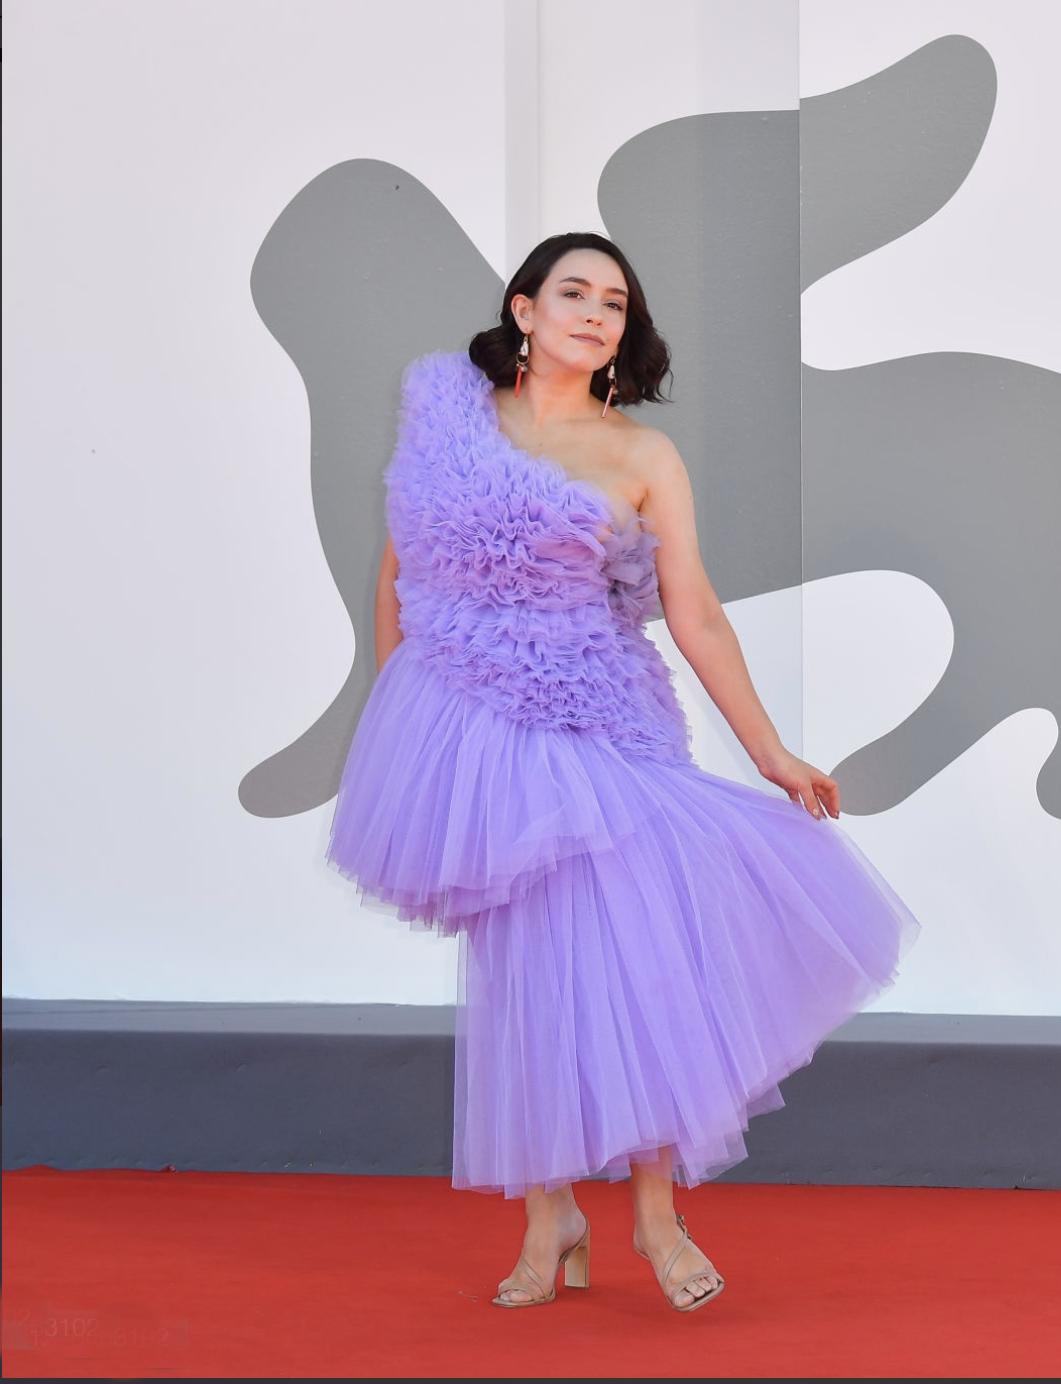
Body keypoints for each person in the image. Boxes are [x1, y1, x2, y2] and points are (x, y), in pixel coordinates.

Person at [325, 231, 921, 1313]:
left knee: (637, 962)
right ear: (524, 309)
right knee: (523, 969)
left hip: (603, 722)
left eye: (615, 301)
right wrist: (395, 720)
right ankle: (548, 1216)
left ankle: (655, 1213)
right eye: (573, 292)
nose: (596, 312)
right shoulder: (446, 413)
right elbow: (398, 567)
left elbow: (691, 610)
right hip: (463, 720)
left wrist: (770, 751)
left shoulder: (642, 457)